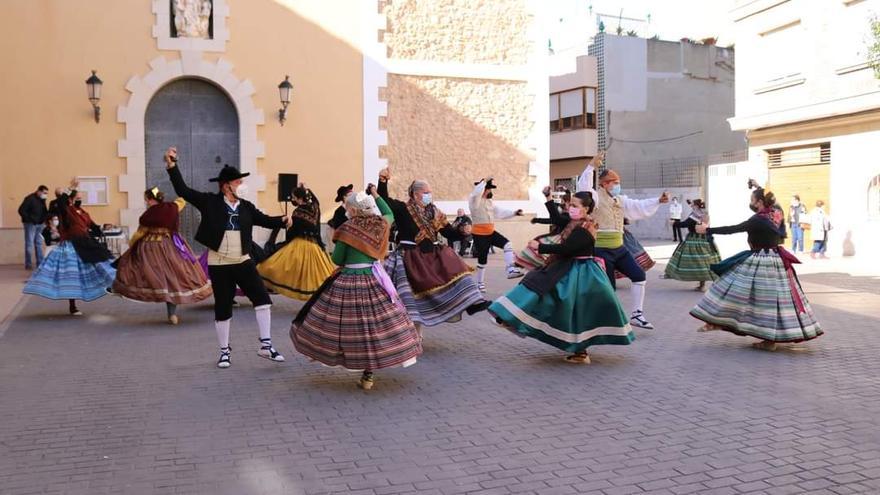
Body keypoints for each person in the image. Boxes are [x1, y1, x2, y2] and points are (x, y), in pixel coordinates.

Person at [164, 147, 290, 369]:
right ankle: (224, 352)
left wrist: (283, 220)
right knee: (223, 307)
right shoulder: (209, 202)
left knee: (262, 299)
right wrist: (172, 166)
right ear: (226, 185)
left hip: (242, 260)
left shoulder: (246, 207)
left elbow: (265, 220)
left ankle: (266, 345)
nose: (241, 185)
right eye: (238, 182)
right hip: (219, 263)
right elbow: (183, 190)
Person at [291, 186, 422, 390]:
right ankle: (369, 373)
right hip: (374, 279)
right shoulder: (380, 223)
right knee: (376, 324)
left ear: (353, 209)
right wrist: (376, 195)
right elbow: (388, 212)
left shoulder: (347, 228)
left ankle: (351, 360)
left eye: (348, 207)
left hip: (349, 280)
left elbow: (337, 259)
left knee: (345, 325)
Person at [489, 191, 634, 364]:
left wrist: (540, 247)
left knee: (572, 310)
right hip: (566, 267)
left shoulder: (586, 227)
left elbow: (568, 249)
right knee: (544, 291)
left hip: (581, 273)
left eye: (574, 205)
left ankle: (579, 351)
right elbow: (557, 219)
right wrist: (549, 198)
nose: (570, 207)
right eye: (570, 204)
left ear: (586, 209)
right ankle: (509, 317)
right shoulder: (574, 222)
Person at [691, 183, 822, 351]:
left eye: (752, 200)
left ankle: (720, 322)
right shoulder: (775, 214)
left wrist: (707, 230)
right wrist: (759, 187)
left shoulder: (758, 219)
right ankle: (764, 338)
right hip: (776, 260)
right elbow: (772, 203)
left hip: (763, 260)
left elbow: (733, 229)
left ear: (759, 202)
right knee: (774, 300)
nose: (751, 203)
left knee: (735, 289)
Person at [377, 166, 489, 330]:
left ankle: (471, 302)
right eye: (425, 192)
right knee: (412, 297)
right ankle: (410, 331)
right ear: (415, 194)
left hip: (432, 255)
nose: (429, 195)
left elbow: (449, 233)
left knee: (456, 268)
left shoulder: (435, 212)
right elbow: (384, 200)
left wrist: (462, 232)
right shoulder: (403, 209)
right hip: (411, 257)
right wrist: (382, 181)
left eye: (430, 192)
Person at [578, 151, 669, 330]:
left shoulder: (620, 199)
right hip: (601, 249)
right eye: (615, 182)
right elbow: (583, 189)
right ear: (604, 184)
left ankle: (637, 315)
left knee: (639, 275)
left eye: (618, 182)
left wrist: (658, 200)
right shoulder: (595, 198)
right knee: (608, 287)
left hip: (619, 248)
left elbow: (638, 206)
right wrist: (591, 166)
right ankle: (601, 319)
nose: (618, 185)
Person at [112, 187, 212, 324]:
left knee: (148, 274)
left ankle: (125, 287)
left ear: (149, 199)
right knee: (173, 278)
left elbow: (139, 234)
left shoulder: (147, 215)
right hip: (171, 246)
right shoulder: (172, 207)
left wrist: (131, 244)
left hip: (151, 249)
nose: (146, 202)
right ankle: (172, 315)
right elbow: (181, 201)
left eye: (146, 199)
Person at [23, 190, 115, 315]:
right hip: (70, 245)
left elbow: (92, 226)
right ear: (71, 200)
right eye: (77, 198)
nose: (79, 200)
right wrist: (67, 191)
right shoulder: (66, 212)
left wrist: (101, 229)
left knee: (101, 264)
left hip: (85, 244)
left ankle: (114, 285)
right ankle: (73, 306)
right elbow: (61, 203)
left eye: (80, 198)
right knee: (72, 275)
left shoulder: (83, 213)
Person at [258, 185, 335, 301]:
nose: (293, 200)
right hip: (316, 246)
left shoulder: (298, 212)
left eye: (294, 197)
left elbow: (293, 232)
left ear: (299, 199)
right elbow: (316, 201)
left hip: (300, 244)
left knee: (285, 268)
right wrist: (309, 190)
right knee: (318, 275)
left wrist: (288, 233)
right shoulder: (315, 208)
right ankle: (320, 299)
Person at [469, 177, 525, 292]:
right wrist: (483, 182)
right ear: (483, 189)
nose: (490, 191)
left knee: (507, 244)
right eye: (488, 189)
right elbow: (476, 193)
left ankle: (510, 269)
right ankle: (480, 283)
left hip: (490, 232)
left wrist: (514, 213)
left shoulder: (490, 202)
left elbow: (500, 212)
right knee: (482, 260)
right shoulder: (474, 201)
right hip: (479, 234)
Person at [663, 199, 720, 291]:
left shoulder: (695, 215)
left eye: (693, 205)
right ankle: (702, 284)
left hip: (694, 240)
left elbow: (685, 224)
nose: (691, 206)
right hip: (705, 240)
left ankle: (700, 284)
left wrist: (674, 223)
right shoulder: (704, 213)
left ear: (696, 206)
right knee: (704, 261)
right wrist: (690, 202)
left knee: (695, 261)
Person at [18, 185, 49, 270]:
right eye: (44, 193)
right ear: (39, 191)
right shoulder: (29, 198)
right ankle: (28, 264)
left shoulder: (42, 200)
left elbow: (44, 211)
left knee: (39, 244)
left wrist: (45, 220)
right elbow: (21, 210)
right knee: (29, 244)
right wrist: (29, 220)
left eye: (46, 193)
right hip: (30, 224)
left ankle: (40, 263)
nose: (45, 195)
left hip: (40, 225)